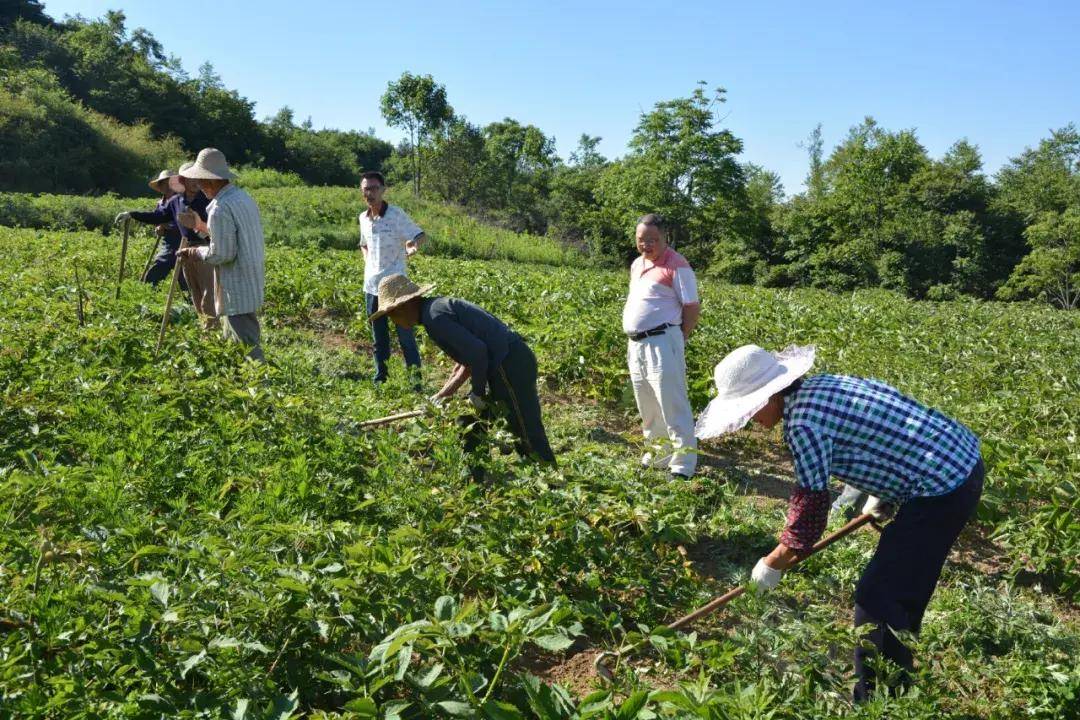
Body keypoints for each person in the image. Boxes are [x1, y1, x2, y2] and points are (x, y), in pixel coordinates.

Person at [696, 344, 984, 703]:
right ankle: (899, 680)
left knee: (878, 597)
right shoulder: (824, 385)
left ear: (769, 396)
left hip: (941, 487)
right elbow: (885, 425)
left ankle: (880, 701)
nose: (751, 420)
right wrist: (885, 492)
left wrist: (773, 563)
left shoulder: (802, 423)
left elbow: (811, 507)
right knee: (901, 588)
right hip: (960, 459)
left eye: (750, 409)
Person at [371, 273, 555, 477]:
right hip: (502, 363)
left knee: (523, 427)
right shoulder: (434, 311)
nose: (393, 321)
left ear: (405, 305)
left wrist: (477, 392)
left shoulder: (435, 317)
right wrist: (442, 395)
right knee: (469, 421)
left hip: (510, 364)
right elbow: (466, 361)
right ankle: (474, 479)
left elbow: (478, 354)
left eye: (392, 315)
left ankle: (550, 482)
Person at [622, 213, 700, 479]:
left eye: (652, 240)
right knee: (647, 403)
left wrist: (679, 338)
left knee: (672, 402)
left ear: (665, 238)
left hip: (663, 341)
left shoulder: (678, 265)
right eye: (641, 240)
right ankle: (658, 454)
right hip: (637, 344)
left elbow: (691, 307)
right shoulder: (636, 264)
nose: (646, 245)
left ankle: (682, 465)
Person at [175, 148, 266, 361]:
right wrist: (199, 226)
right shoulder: (242, 197)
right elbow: (233, 238)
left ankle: (262, 388)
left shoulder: (219, 208)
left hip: (235, 285)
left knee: (246, 346)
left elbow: (222, 254)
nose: (199, 186)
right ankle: (240, 385)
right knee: (234, 341)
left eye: (200, 181)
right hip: (250, 279)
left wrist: (195, 251)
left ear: (211, 181)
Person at [357, 171, 425, 386]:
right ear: (362, 192)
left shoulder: (396, 214)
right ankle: (381, 380)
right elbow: (363, 243)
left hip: (396, 286)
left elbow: (418, 235)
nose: (370, 193)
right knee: (379, 339)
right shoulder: (363, 218)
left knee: (405, 336)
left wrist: (412, 246)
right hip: (372, 287)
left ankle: (415, 383)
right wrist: (368, 261)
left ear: (383, 190)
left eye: (374, 188)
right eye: (366, 189)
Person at [114, 170, 184, 286]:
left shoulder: (181, 200)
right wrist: (158, 226)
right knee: (159, 273)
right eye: (163, 183)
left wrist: (167, 226)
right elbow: (156, 218)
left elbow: (184, 223)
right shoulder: (161, 203)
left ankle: (191, 300)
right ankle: (147, 296)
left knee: (182, 277)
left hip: (181, 242)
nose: (166, 186)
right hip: (168, 242)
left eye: (169, 183)